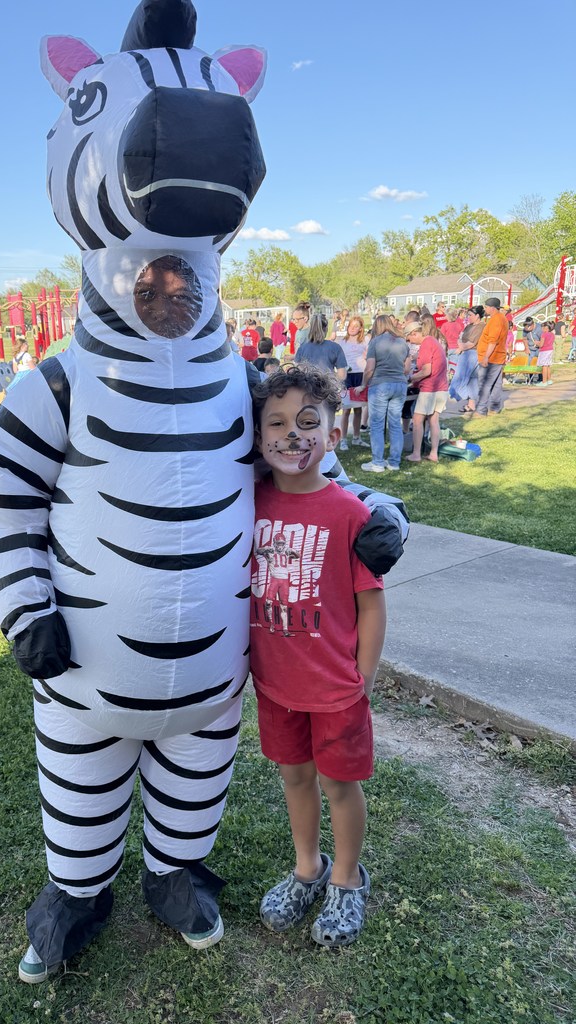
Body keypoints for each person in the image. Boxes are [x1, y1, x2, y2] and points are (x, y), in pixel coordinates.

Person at [250, 364, 386, 948]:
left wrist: (363, 677)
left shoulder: (350, 514)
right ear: (258, 439)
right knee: (296, 778)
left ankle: (347, 879)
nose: (291, 435)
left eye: (309, 422)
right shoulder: (246, 505)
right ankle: (307, 868)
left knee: (338, 785)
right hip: (276, 685)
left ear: (333, 435)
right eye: (276, 423)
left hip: (336, 687)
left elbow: (373, 605)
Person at [355, 315, 409, 473]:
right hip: (400, 384)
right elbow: (406, 368)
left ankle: (378, 463)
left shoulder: (375, 342)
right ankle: (394, 463)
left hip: (380, 385)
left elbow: (370, 368)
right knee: (395, 424)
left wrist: (364, 384)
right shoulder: (402, 341)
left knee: (377, 425)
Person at [402, 322, 449, 463]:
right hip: (441, 388)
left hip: (430, 389)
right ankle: (433, 453)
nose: (410, 343)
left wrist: (410, 378)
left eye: (410, 339)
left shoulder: (426, 344)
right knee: (434, 421)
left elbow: (426, 370)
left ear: (414, 333)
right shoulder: (433, 341)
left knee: (417, 421)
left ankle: (416, 454)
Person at [337, 316, 368, 451]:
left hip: (360, 375)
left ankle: (356, 437)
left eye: (356, 326)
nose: (352, 328)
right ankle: (343, 439)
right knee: (346, 409)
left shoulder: (365, 341)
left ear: (361, 328)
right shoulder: (342, 342)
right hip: (347, 376)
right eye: (351, 325)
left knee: (358, 408)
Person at [475, 297, 508, 416]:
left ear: (493, 308)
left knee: (484, 383)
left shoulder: (497, 320)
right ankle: (494, 408)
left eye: (487, 307)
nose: (485, 309)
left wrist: (486, 357)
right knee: (496, 383)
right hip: (497, 356)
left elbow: (493, 341)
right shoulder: (499, 318)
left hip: (492, 358)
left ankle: (481, 409)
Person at [449, 305, 485, 412]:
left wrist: (461, 346)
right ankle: (471, 405)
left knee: (459, 379)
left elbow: (471, 343)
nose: (468, 317)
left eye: (470, 315)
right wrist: (461, 345)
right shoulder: (469, 326)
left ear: (478, 315)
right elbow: (460, 338)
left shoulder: (481, 326)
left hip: (472, 354)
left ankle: (461, 396)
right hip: (466, 353)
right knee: (472, 380)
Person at [295, 314, 347, 381]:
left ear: (311, 329)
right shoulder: (335, 347)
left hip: (308, 388)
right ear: (326, 329)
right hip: (328, 387)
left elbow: (298, 373)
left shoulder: (302, 348)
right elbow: (342, 376)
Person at [535, 322, 555, 386]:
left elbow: (541, 344)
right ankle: (549, 380)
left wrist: (536, 343)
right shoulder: (552, 334)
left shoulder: (544, 334)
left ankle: (544, 381)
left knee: (544, 366)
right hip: (550, 350)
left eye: (542, 327)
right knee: (548, 365)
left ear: (546, 328)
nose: (541, 329)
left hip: (544, 351)